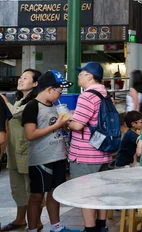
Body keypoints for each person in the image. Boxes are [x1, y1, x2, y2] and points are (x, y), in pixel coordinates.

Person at [22, 70, 75, 232]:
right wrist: (56, 126)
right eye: (59, 90)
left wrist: (65, 125)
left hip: (58, 156)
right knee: (37, 196)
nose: (60, 94)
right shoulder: (32, 107)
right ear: (49, 89)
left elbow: (56, 128)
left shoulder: (55, 106)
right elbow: (30, 134)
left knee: (55, 193)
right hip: (41, 159)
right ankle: (32, 228)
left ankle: (56, 226)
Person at [66, 62, 113, 232]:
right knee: (101, 192)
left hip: (85, 153)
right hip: (103, 152)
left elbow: (78, 126)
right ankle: (102, 226)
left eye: (81, 73)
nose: (78, 76)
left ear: (90, 76)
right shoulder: (106, 95)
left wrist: (67, 121)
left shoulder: (86, 96)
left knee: (85, 194)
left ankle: (90, 229)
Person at [2, 69, 42, 232]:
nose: (20, 80)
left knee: (31, 188)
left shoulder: (34, 102)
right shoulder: (20, 99)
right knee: (17, 187)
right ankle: (20, 219)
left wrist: (3, 101)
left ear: (35, 83)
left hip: (27, 152)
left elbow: (14, 114)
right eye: (20, 77)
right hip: (13, 150)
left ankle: (36, 221)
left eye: (25, 78)